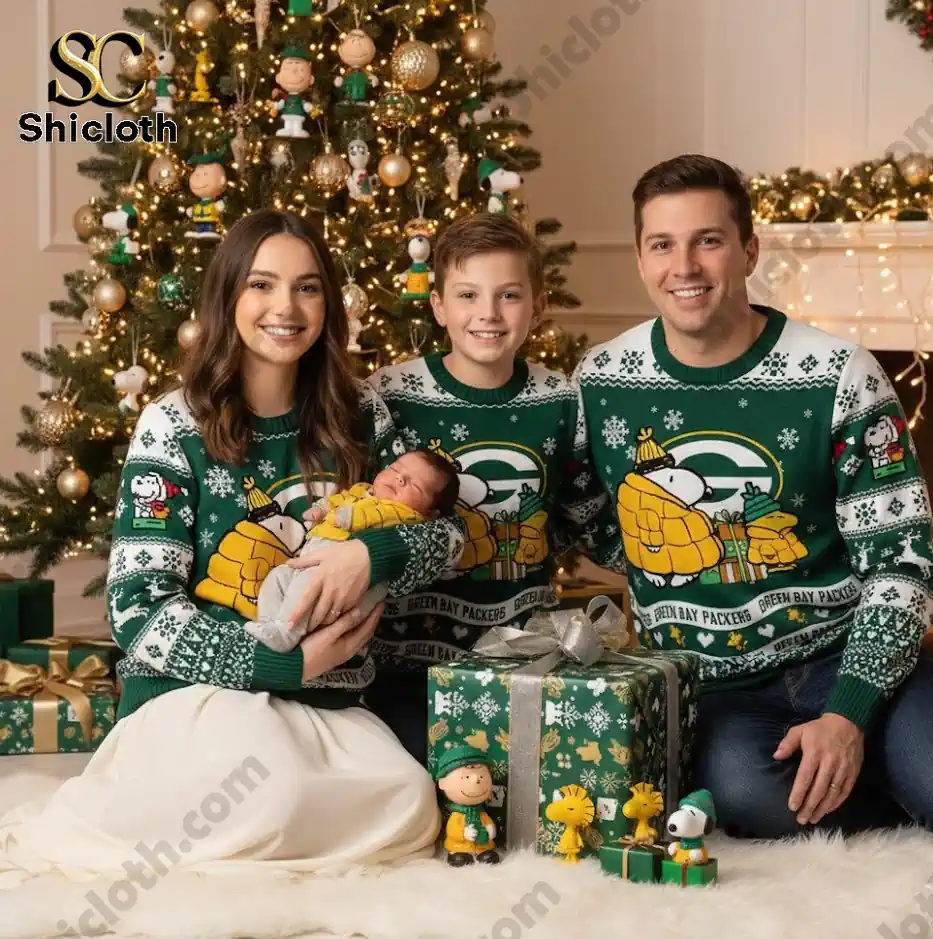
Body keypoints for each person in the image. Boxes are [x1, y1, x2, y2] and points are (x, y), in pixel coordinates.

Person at [0, 210, 467, 889]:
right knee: (268, 791)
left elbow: (448, 535)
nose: (286, 307)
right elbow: (137, 610)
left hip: (325, 703)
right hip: (197, 696)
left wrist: (372, 557)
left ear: (328, 305)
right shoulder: (173, 426)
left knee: (407, 798)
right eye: (262, 285)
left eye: (308, 288)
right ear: (228, 298)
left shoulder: (359, 414)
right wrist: (281, 659)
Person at [573, 154, 933, 839]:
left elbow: (902, 562)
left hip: (844, 652)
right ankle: (892, 793)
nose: (684, 266)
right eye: (663, 244)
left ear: (749, 249)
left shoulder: (838, 373)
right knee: (747, 799)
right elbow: (582, 515)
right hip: (717, 686)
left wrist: (848, 710)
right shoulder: (602, 377)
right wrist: (677, 565)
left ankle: (892, 764)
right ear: (641, 257)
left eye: (708, 240)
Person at [350, 213, 618, 763]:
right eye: (468, 294)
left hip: (523, 655)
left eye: (509, 295)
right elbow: (359, 512)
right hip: (406, 658)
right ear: (439, 306)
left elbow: (580, 516)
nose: (488, 314)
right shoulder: (390, 396)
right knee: (432, 785)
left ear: (538, 305)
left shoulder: (562, 401)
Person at [249, 448, 460, 652]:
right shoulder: (361, 490)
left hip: (345, 574)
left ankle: (286, 633)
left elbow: (376, 516)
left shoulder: (407, 515)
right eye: (396, 469)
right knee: (278, 577)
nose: (401, 479)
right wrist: (321, 509)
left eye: (416, 485)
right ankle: (269, 623)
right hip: (312, 557)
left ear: (430, 512)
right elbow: (337, 500)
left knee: (307, 588)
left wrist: (347, 517)